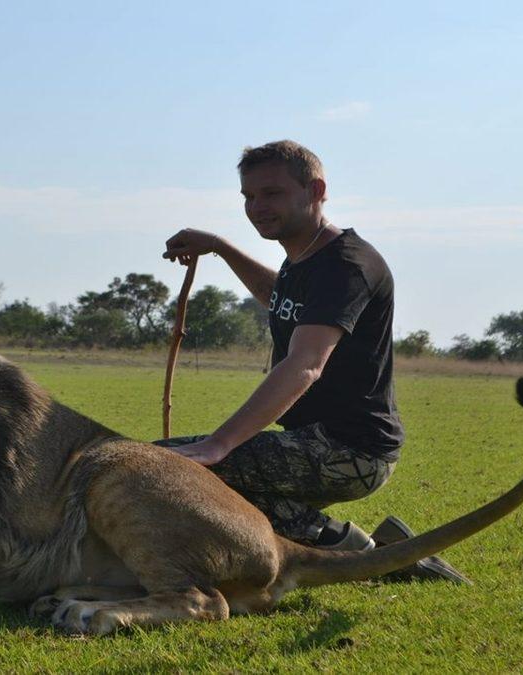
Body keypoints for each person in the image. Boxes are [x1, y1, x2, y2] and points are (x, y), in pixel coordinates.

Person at [157, 140, 466, 582]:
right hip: (314, 439)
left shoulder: (346, 266)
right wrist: (220, 247)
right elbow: (278, 298)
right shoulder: (304, 258)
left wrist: (218, 445)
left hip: (351, 450)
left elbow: (306, 363)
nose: (256, 207)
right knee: (188, 474)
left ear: (316, 190)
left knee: (169, 466)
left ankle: (364, 555)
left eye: (272, 193)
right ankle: (386, 553)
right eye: (248, 196)